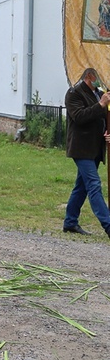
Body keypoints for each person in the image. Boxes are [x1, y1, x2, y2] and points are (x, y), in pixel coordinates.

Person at [63, 68, 110, 237]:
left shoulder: (99, 93)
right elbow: (80, 117)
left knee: (81, 186)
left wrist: (107, 132)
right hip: (81, 148)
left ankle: (70, 222)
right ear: (89, 76)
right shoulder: (74, 93)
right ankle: (108, 224)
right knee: (94, 185)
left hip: (96, 147)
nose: (102, 79)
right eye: (98, 75)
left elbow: (103, 118)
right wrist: (101, 105)